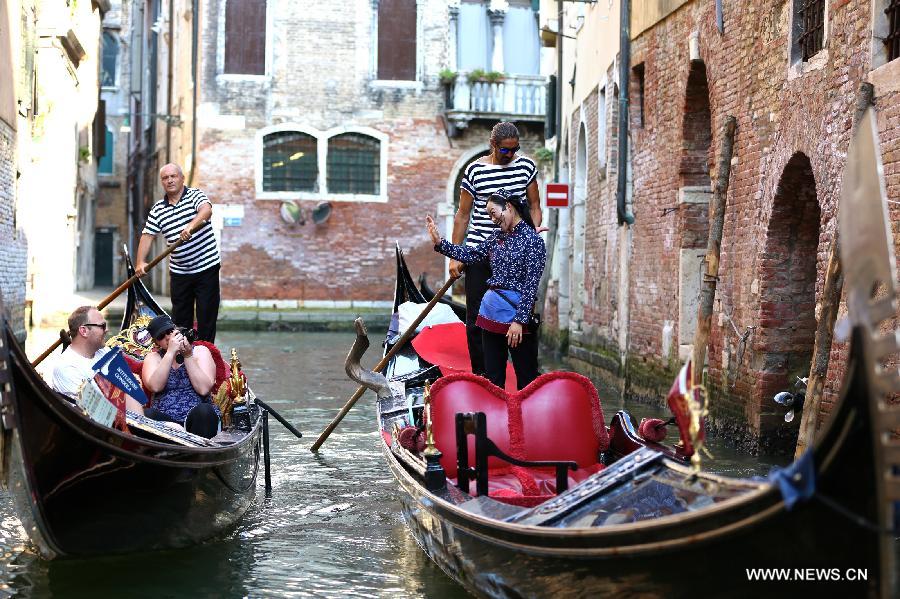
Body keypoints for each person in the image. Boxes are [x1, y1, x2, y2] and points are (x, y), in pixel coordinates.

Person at [427, 189, 546, 390]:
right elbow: (472, 254)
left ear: (508, 207)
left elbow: (530, 285)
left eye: (493, 213)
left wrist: (518, 321)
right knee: (493, 379)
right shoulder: (496, 237)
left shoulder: (533, 241)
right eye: (489, 215)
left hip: (518, 319)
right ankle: (494, 418)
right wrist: (440, 244)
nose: (492, 219)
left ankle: (524, 419)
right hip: (490, 315)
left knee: (526, 380)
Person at [452, 122, 542, 376]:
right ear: (493, 146)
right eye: (505, 151)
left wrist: (531, 238)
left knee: (521, 310)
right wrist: (453, 257)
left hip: (516, 252)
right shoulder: (475, 171)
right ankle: (482, 375)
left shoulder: (526, 167)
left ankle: (525, 376)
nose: (511, 155)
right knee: (476, 319)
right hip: (481, 250)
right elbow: (462, 215)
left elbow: (534, 206)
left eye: (515, 150)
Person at [135, 163, 221, 343]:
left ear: (182, 178)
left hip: (206, 267)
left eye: (173, 176)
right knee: (181, 320)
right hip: (180, 272)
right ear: (162, 183)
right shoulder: (158, 209)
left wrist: (191, 226)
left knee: (206, 315)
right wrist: (140, 262)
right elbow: (147, 235)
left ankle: (206, 353)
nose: (170, 180)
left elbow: (206, 210)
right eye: (165, 178)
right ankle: (182, 356)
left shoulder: (195, 195)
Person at [51, 306, 144, 413]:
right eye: (102, 326)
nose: (107, 330)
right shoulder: (66, 368)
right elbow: (97, 412)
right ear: (84, 331)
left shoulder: (105, 352)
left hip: (132, 419)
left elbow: (132, 389)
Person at [141, 315, 221, 439]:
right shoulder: (153, 358)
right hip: (166, 424)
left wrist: (187, 356)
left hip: (197, 417)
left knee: (204, 411)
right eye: (161, 336)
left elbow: (204, 389)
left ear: (177, 330)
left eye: (170, 332)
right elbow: (155, 387)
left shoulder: (200, 351)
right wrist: (170, 353)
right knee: (146, 414)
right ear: (156, 342)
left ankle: (200, 453)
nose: (168, 338)